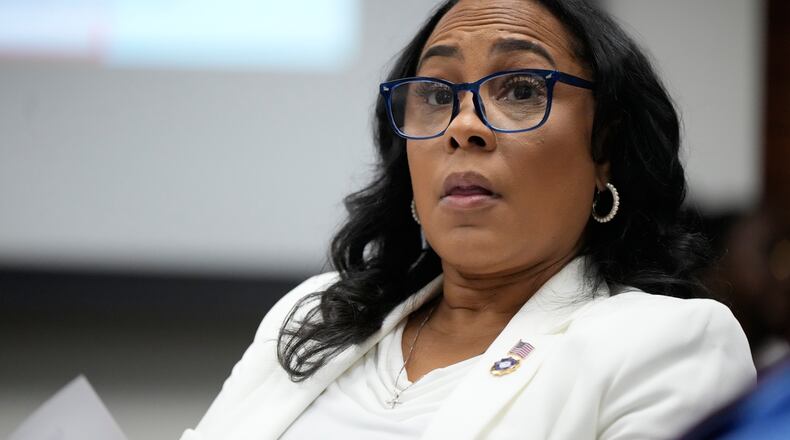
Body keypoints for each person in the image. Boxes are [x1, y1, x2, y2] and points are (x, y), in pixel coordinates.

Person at [181, 0, 756, 438]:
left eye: (522, 89)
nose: (462, 126)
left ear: (604, 146)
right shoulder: (317, 313)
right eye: (436, 94)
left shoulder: (671, 343)